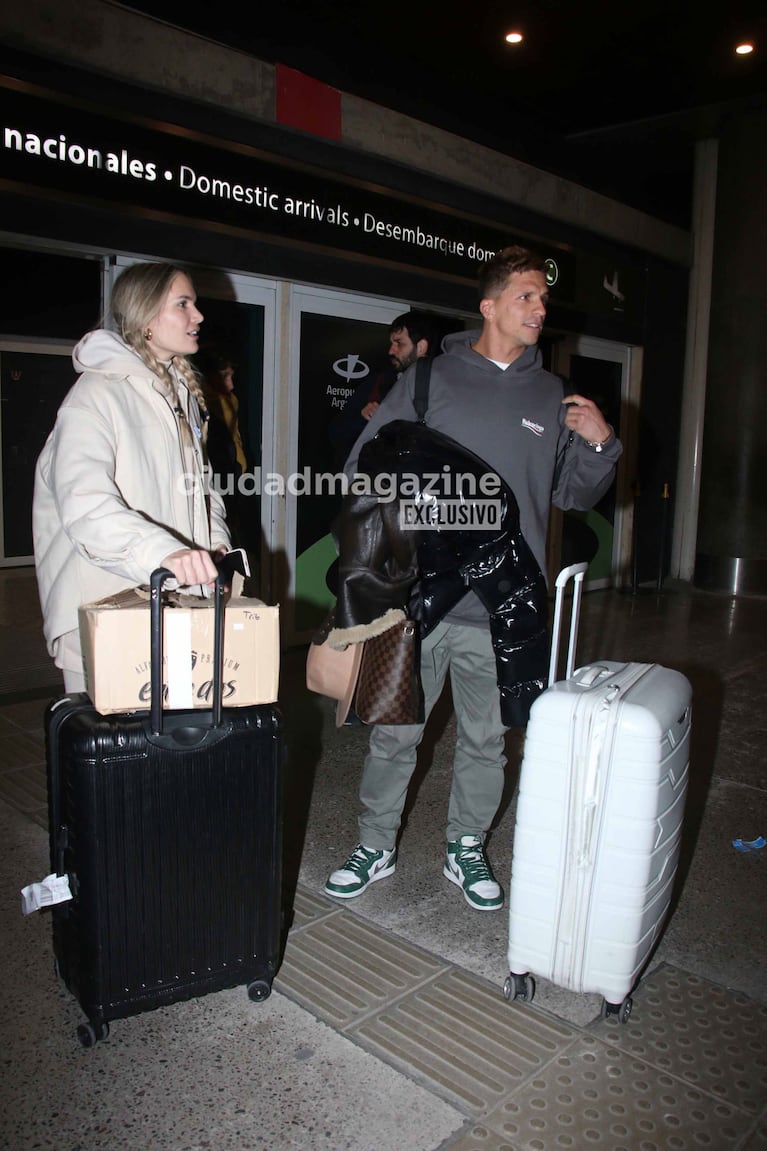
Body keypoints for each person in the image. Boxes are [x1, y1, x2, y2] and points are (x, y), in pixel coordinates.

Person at [324, 245, 622, 911]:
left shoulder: (551, 395)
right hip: (415, 599)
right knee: (392, 731)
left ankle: (465, 845)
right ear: (488, 306)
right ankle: (375, 842)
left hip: (504, 601)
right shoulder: (428, 380)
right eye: (525, 295)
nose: (539, 307)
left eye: (542, 297)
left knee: (487, 739)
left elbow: (574, 494)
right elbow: (360, 468)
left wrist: (600, 442)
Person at [32, 261, 231, 692]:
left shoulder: (179, 395)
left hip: (171, 605)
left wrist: (212, 543)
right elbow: (85, 505)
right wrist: (165, 552)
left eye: (194, 304)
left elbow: (203, 488)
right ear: (145, 317)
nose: (197, 316)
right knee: (119, 755)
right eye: (183, 304)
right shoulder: (96, 395)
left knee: (175, 751)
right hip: (109, 611)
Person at [329, 310, 436, 468]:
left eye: (399, 343)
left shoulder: (443, 386)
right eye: (391, 343)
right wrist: (362, 417)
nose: (391, 351)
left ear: (421, 347)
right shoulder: (379, 382)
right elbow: (336, 432)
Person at [195, 346, 251, 553]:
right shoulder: (202, 406)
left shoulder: (230, 402)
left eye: (231, 376)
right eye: (224, 376)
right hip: (220, 486)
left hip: (233, 484)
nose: (230, 384)